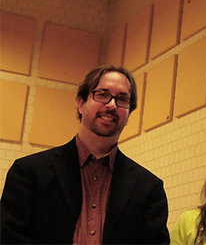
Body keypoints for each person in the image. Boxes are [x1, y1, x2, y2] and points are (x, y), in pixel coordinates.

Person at [1, 65, 169, 244]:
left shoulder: (149, 188)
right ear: (81, 103)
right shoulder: (28, 173)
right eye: (102, 94)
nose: (112, 105)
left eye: (122, 99)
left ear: (129, 114)